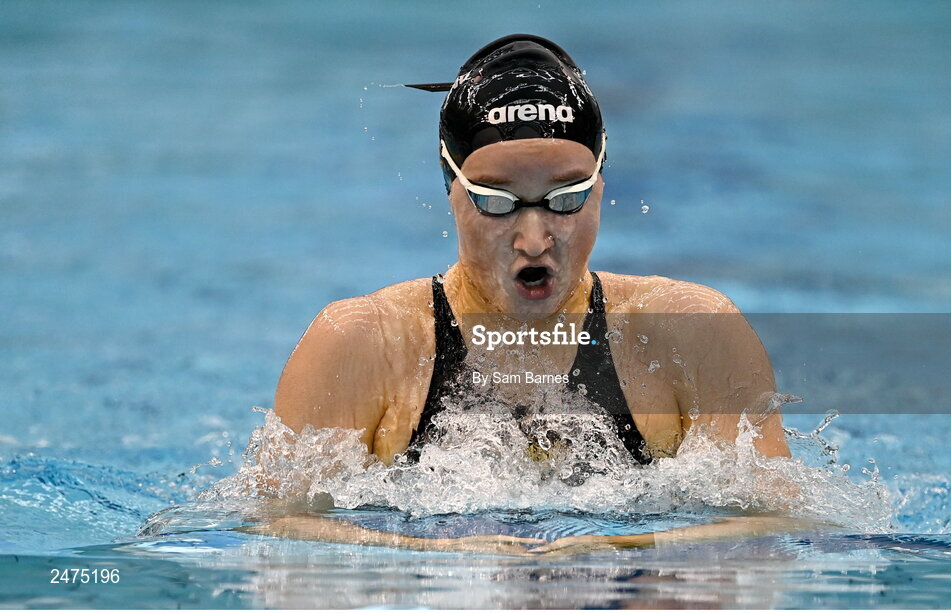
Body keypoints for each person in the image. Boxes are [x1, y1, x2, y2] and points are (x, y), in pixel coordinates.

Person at [250, 34, 794, 554]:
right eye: (497, 202)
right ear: (451, 187)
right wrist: (439, 552)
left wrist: (617, 548)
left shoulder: (692, 333)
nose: (534, 239)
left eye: (567, 198)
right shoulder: (363, 343)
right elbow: (267, 528)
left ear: (602, 183)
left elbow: (778, 530)